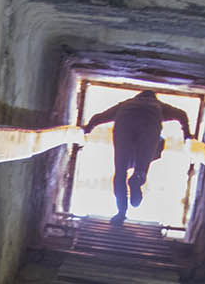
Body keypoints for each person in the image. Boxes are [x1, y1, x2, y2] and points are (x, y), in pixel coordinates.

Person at [80, 90, 193, 224]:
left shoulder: (125, 104)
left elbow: (97, 118)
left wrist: (86, 130)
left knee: (120, 172)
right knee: (144, 164)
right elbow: (182, 114)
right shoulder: (159, 106)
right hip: (149, 128)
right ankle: (138, 177)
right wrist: (187, 135)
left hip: (124, 129)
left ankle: (121, 212)